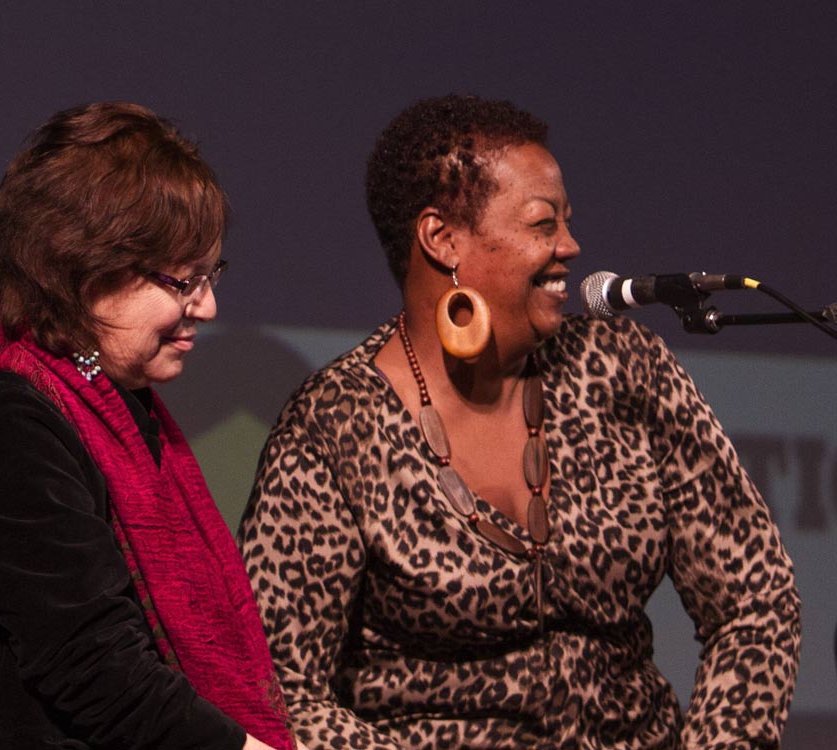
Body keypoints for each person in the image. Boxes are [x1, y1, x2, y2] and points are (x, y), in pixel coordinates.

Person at [239, 95, 800, 749]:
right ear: (443, 239)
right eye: (543, 223)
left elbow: (755, 600)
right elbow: (279, 690)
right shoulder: (333, 426)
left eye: (566, 221)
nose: (570, 246)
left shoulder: (624, 369)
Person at [0, 102, 293, 750]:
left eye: (209, 276)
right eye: (184, 281)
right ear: (85, 271)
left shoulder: (110, 405)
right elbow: (106, 682)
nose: (208, 306)